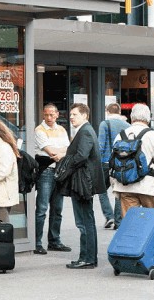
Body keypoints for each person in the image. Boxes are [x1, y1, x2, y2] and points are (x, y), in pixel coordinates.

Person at [59, 104, 106, 269]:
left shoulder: (85, 131)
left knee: (84, 221)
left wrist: (64, 163)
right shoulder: (86, 130)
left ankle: (87, 258)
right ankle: (88, 258)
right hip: (84, 182)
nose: (71, 117)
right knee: (87, 220)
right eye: (70, 114)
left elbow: (81, 156)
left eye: (75, 114)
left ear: (85, 115)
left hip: (82, 183)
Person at [111, 103, 154, 215]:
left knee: (130, 225)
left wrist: (114, 186)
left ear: (131, 117)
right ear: (148, 118)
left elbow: (113, 163)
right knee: (150, 224)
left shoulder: (120, 136)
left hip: (126, 187)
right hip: (149, 188)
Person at [32, 104, 72, 254]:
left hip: (59, 171)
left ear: (57, 115)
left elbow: (69, 149)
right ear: (43, 115)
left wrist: (59, 152)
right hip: (46, 171)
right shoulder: (39, 130)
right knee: (42, 208)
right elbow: (50, 151)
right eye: (46, 115)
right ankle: (36, 242)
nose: (49, 118)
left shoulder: (61, 130)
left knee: (58, 209)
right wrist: (60, 151)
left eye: (51, 115)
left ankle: (54, 241)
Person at [97, 103, 129, 230]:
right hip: (121, 163)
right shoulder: (127, 125)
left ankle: (108, 215)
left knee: (101, 190)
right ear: (119, 111)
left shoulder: (104, 124)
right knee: (118, 191)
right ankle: (118, 220)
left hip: (105, 162)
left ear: (107, 111)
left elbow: (101, 145)